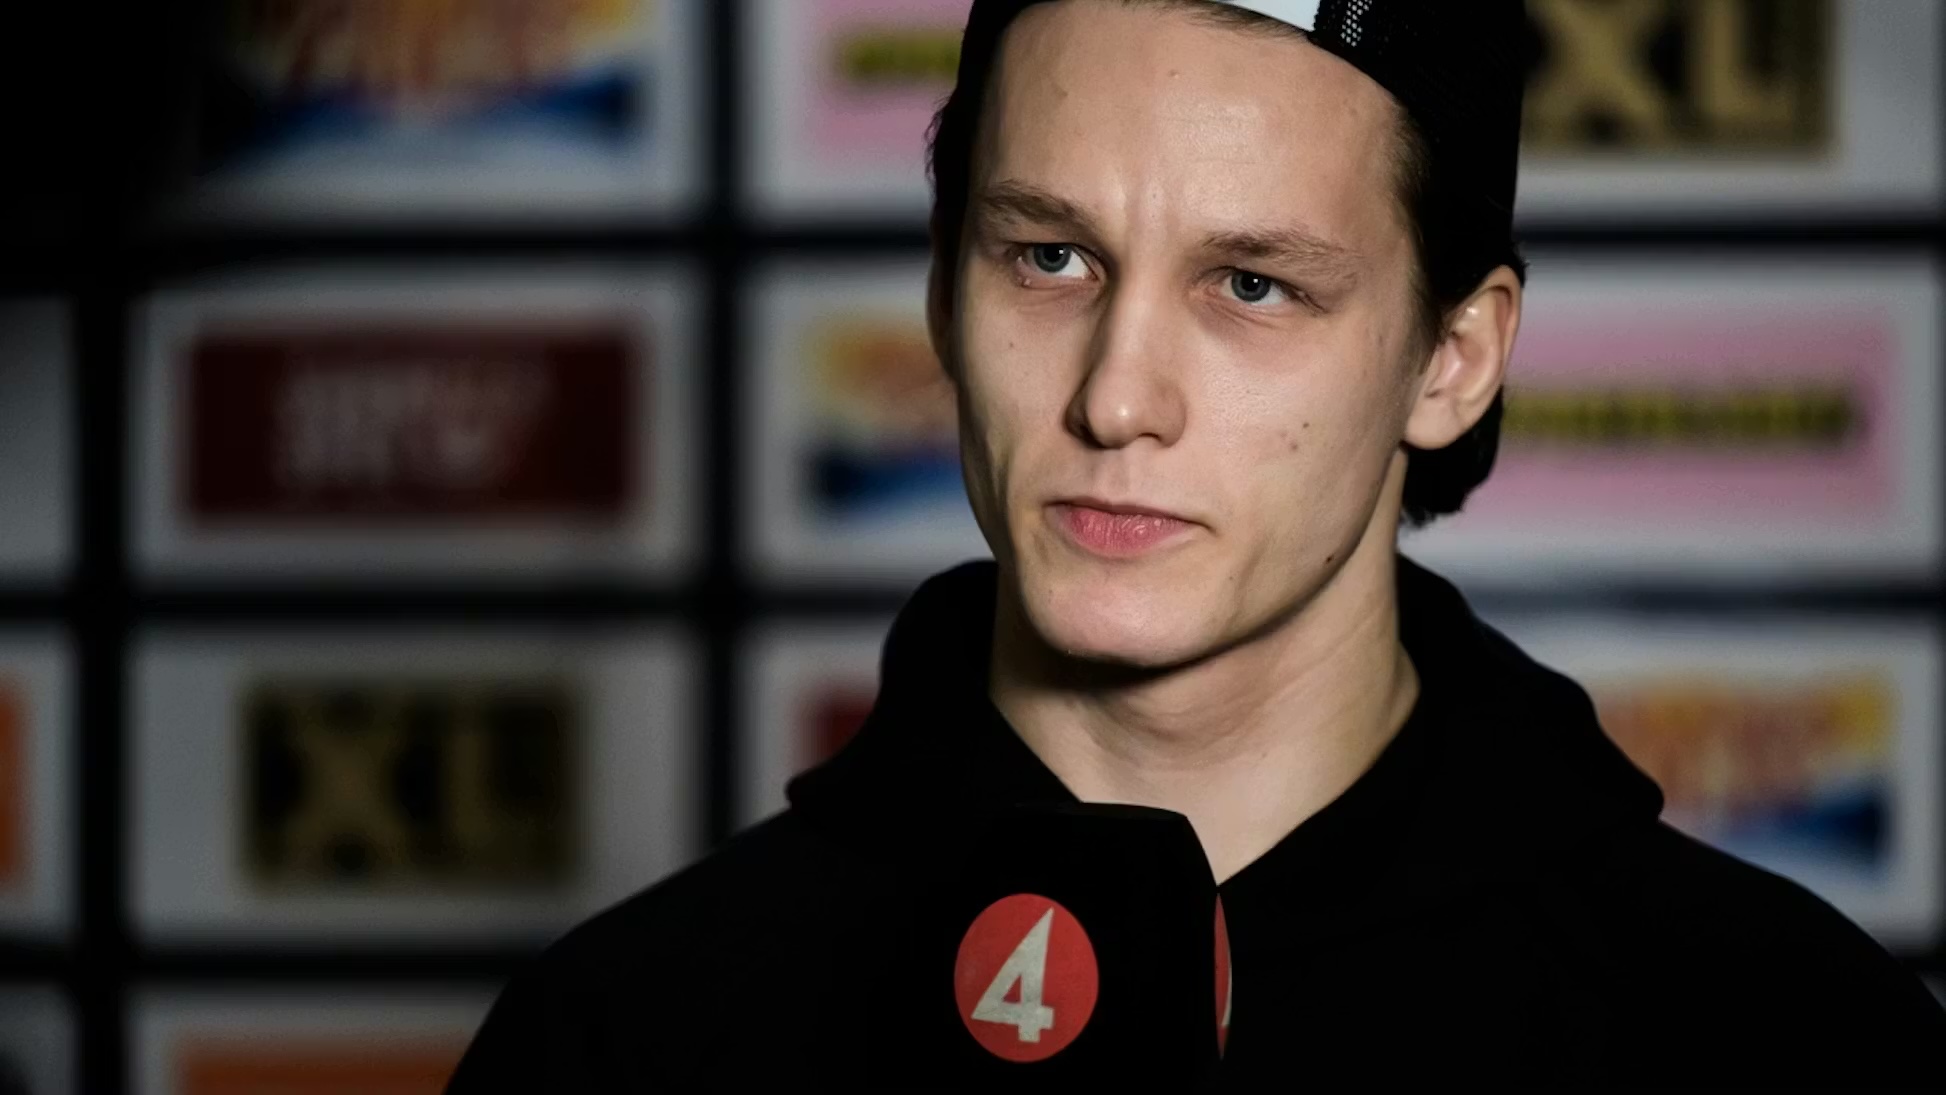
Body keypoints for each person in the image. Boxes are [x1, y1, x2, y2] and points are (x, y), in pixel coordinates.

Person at [449, 1, 1946, 1086]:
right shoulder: (627, 1040)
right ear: (943, 292)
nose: (1116, 398)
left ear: (1452, 359)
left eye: (1251, 286)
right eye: (1049, 257)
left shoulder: (1783, 1043)